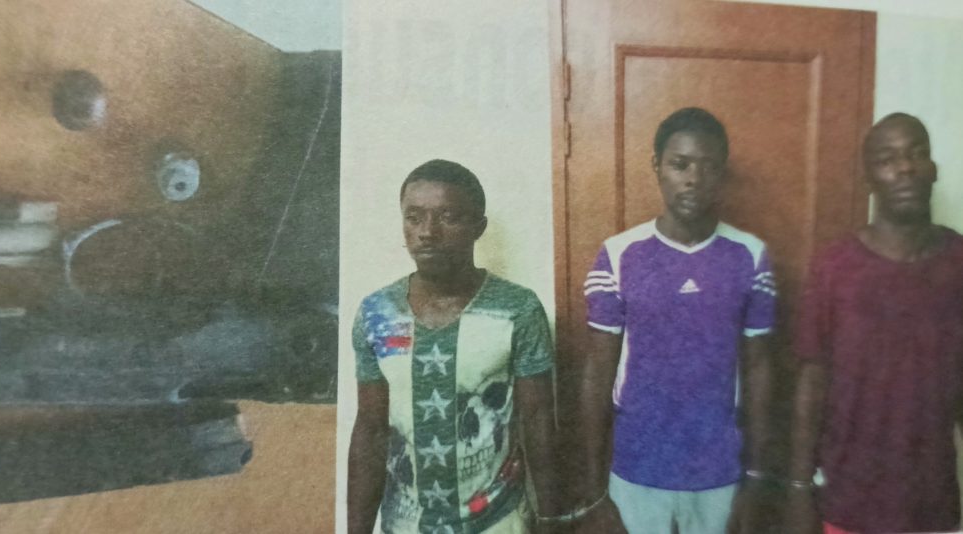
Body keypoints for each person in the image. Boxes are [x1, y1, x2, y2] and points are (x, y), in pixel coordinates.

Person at [576, 107, 775, 534]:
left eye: (708, 167)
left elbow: (760, 370)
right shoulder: (619, 255)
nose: (693, 179)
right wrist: (594, 492)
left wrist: (756, 478)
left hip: (719, 471)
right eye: (680, 164)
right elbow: (597, 372)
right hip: (636, 469)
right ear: (657, 166)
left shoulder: (749, 255)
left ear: (721, 173)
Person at [347, 159, 565, 534]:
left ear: (478, 227)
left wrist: (551, 519)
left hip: (498, 522)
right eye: (414, 217)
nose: (427, 232)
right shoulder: (377, 313)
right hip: (405, 525)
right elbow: (370, 430)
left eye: (448, 217)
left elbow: (538, 420)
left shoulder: (518, 309)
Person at [785, 113, 963, 534]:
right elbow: (811, 382)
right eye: (888, 159)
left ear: (933, 169)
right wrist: (797, 488)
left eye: (917, 154)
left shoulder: (957, 261)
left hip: (931, 500)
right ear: (868, 178)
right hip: (849, 499)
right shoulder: (835, 267)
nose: (905, 168)